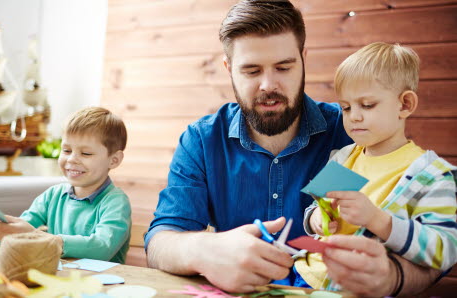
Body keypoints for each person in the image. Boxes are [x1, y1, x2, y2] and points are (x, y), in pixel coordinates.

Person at [145, 0, 443, 296]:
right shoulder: (202, 139)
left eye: (283, 67)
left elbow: (439, 248)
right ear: (229, 68)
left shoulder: (356, 130)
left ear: (303, 59)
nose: (268, 85)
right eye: (251, 71)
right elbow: (160, 242)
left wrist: (392, 277)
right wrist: (204, 249)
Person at [279, 42, 457, 292]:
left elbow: (446, 249)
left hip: (355, 289)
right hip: (302, 273)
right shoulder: (344, 156)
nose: (354, 117)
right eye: (347, 107)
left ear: (405, 105)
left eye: (367, 105)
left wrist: (379, 221)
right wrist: (318, 219)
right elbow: (315, 207)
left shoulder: (432, 176)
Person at [0, 107, 132, 264]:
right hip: (58, 279)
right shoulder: (53, 195)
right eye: (66, 150)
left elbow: (101, 248)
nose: (71, 159)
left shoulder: (116, 202)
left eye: (86, 153)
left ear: (114, 160)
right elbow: (20, 231)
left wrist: (38, 238)